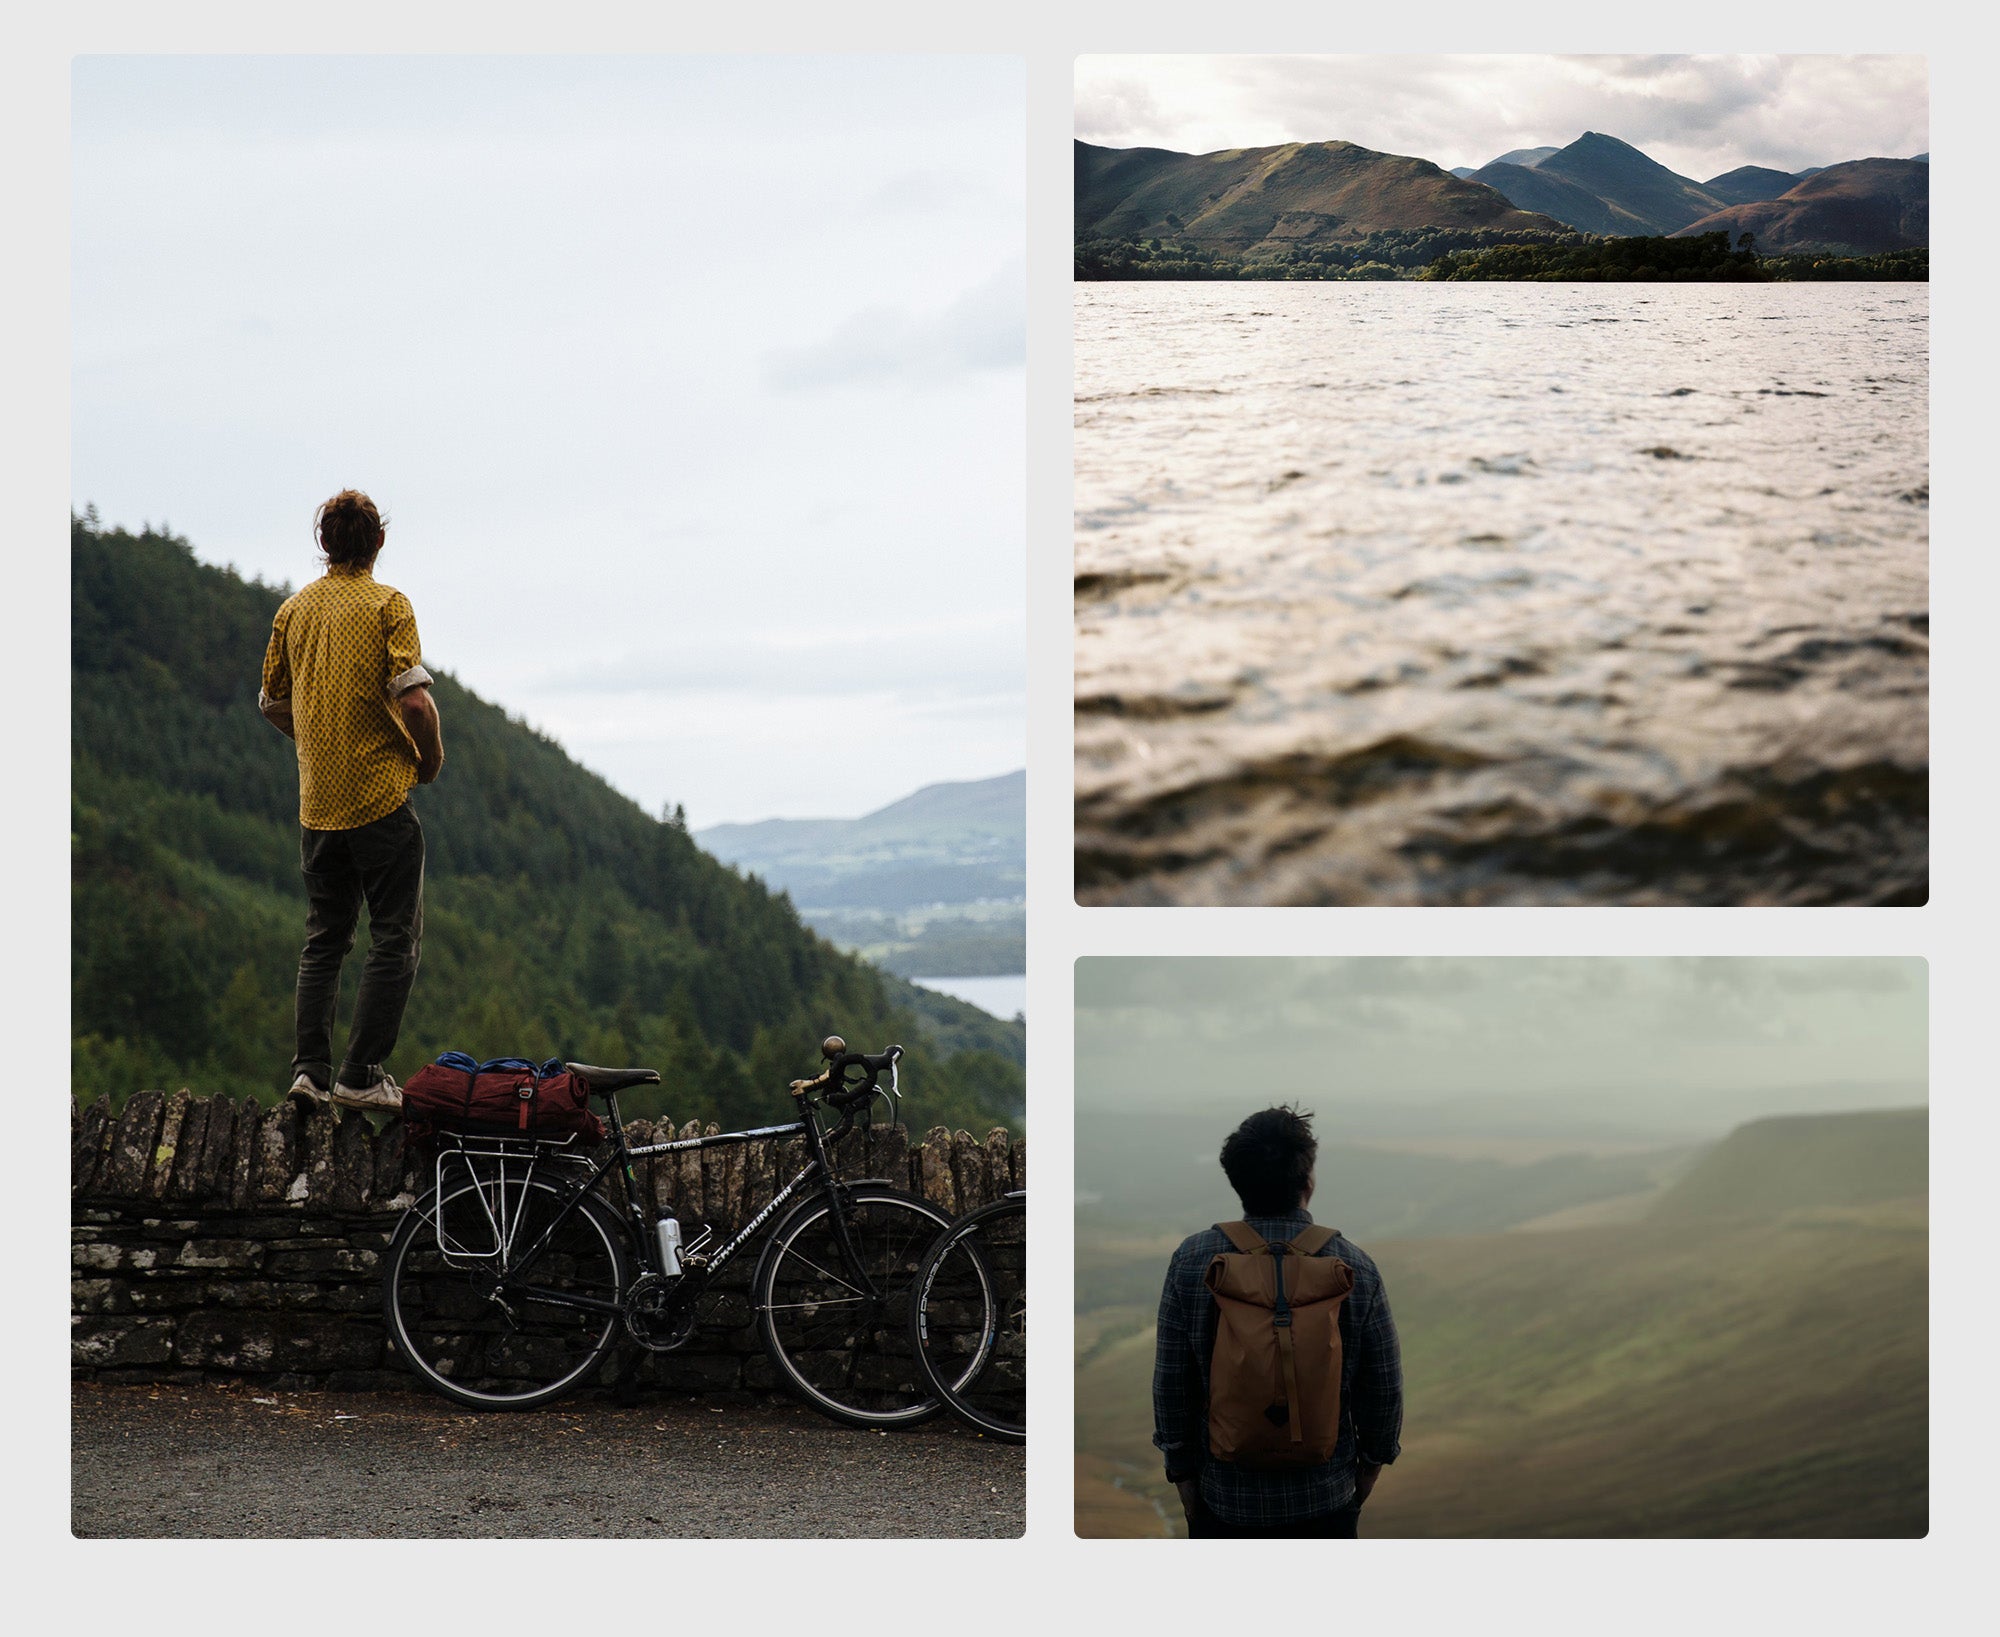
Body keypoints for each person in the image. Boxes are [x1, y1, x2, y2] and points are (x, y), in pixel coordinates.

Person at [257, 489, 444, 1111]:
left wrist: (315, 740)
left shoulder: (293, 612)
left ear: (324, 544)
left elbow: (272, 703)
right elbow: (415, 700)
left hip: (318, 805)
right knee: (395, 938)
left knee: (325, 938)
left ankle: (310, 1069)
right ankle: (362, 1073)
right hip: (382, 798)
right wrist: (429, 759)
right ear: (378, 543)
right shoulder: (390, 606)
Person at [1153, 1104, 1402, 1538]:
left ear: (1237, 1181)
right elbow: (1382, 1386)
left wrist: (1185, 1480)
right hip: (1326, 1497)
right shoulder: (1352, 1265)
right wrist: (1365, 1475)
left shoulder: (1194, 1260)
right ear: (1308, 1181)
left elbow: (1173, 1383)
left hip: (1224, 1500)